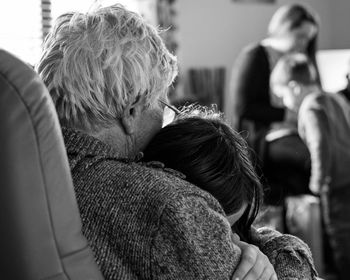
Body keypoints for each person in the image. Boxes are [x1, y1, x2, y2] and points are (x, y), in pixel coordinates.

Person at [36, 4, 280, 280]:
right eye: (162, 106)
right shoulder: (168, 206)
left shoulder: (23, 174)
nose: (163, 120)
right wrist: (280, 248)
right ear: (131, 112)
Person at [270, 52, 350, 280]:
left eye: (282, 96)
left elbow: (320, 145)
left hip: (336, 184)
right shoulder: (336, 98)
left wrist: (318, 182)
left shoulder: (311, 107)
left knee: (340, 237)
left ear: (294, 87)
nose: (285, 104)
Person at [229, 4, 319, 204]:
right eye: (300, 36)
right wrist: (287, 115)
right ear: (284, 28)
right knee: (312, 160)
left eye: (308, 39)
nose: (304, 43)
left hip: (295, 131)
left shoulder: (301, 60)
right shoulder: (255, 56)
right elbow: (243, 108)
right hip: (265, 137)